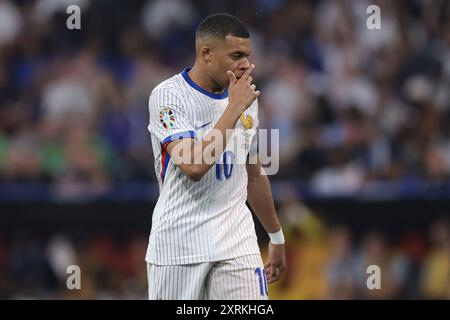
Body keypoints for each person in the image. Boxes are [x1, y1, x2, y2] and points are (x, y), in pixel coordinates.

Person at [146, 13, 285, 300]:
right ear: (206, 53)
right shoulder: (168, 96)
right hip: (178, 246)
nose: (246, 64)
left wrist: (276, 237)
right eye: (236, 55)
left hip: (237, 244)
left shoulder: (246, 100)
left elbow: (255, 173)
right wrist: (233, 109)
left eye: (247, 55)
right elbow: (194, 165)